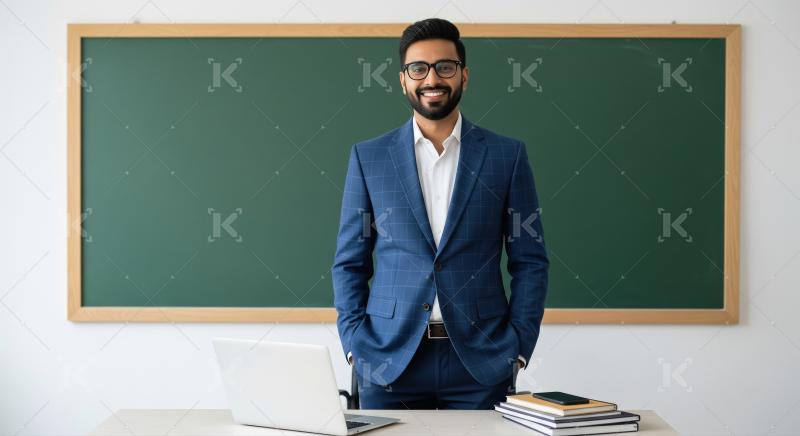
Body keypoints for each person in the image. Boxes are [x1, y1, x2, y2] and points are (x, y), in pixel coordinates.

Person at [332, 18, 549, 410]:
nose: (432, 78)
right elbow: (350, 262)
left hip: (481, 362)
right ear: (403, 79)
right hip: (388, 360)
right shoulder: (369, 158)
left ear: (464, 76)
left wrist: (517, 349)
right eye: (419, 68)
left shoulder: (506, 157)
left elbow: (530, 261)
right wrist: (354, 346)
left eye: (445, 67)